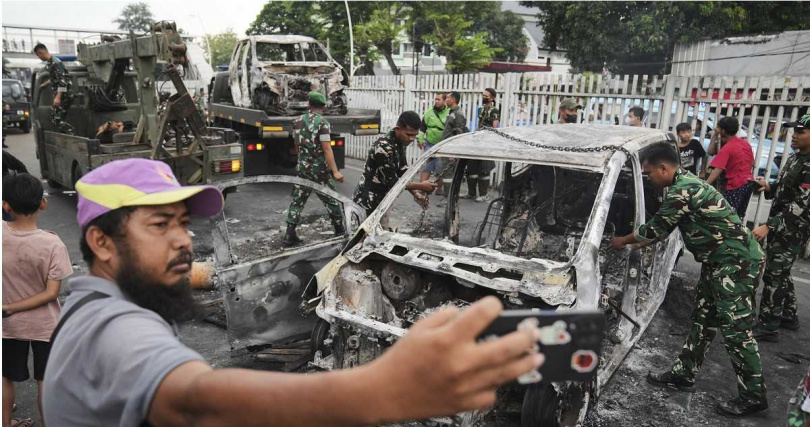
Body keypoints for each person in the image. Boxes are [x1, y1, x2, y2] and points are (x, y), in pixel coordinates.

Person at [42, 158, 545, 426]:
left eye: (182, 223)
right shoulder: (114, 328)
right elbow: (193, 402)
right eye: (159, 225)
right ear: (101, 243)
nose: (183, 240)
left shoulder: (91, 304)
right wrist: (382, 391)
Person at [610, 142, 767, 417]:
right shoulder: (682, 183)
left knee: (736, 331)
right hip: (718, 261)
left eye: (649, 174)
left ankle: (754, 395)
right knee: (703, 319)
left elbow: (655, 230)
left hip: (737, 264)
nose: (649, 179)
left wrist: (622, 241)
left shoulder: (683, 191)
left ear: (664, 168)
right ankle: (683, 373)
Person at [3, 173, 73, 427]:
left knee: (5, 378)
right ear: (43, 203)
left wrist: (7, 308)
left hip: (8, 327)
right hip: (45, 326)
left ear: (5, 206)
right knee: (45, 380)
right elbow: (51, 294)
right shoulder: (53, 244)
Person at [750, 114, 810, 342]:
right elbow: (786, 189)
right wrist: (768, 186)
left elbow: (801, 204)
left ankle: (768, 324)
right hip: (782, 227)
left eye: (800, 132)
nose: (794, 135)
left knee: (774, 275)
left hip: (793, 229)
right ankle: (788, 314)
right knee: (781, 271)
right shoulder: (797, 158)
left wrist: (768, 226)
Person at [283, 91, 345, 246]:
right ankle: (339, 230)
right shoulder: (323, 123)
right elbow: (326, 149)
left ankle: (289, 233)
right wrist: (336, 171)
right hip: (319, 171)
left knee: (298, 199)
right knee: (330, 198)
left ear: (309, 105)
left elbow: (296, 145)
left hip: (303, 168)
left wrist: (303, 160)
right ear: (323, 106)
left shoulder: (296, 121)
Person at [354, 111, 437, 216]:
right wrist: (421, 186)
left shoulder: (401, 142)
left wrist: (416, 194)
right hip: (367, 201)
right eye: (409, 134)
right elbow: (393, 182)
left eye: (415, 135)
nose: (411, 139)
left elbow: (402, 171)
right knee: (367, 231)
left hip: (384, 199)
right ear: (398, 129)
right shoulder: (383, 147)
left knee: (383, 230)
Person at [705, 117, 755, 220]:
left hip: (736, 184)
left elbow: (718, 169)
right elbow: (753, 164)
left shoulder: (728, 147)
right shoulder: (745, 144)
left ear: (723, 130)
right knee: (739, 215)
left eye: (718, 127)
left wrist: (705, 185)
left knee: (727, 216)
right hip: (749, 183)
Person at [461, 88, 500, 202]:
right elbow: (479, 124)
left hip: (487, 141)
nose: (484, 97)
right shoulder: (480, 110)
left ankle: (484, 194)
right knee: (472, 166)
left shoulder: (494, 111)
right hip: (478, 140)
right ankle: (471, 192)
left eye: (486, 96)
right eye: (483, 95)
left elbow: (495, 127)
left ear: (492, 98)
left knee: (484, 168)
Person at [33, 44, 74, 135]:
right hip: (62, 95)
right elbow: (54, 78)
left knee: (56, 119)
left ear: (41, 52)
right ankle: (67, 136)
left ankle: (72, 134)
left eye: (38, 55)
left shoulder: (56, 63)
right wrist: (44, 84)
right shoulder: (50, 63)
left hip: (64, 96)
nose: (39, 57)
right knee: (58, 119)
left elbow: (62, 81)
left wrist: (58, 97)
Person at [417, 93, 449, 196]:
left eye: (438, 99)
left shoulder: (449, 113)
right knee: (428, 164)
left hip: (442, 144)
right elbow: (423, 127)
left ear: (444, 101)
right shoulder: (429, 112)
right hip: (429, 143)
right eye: (435, 99)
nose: (436, 101)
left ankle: (439, 188)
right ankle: (422, 187)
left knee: (440, 166)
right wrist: (420, 139)